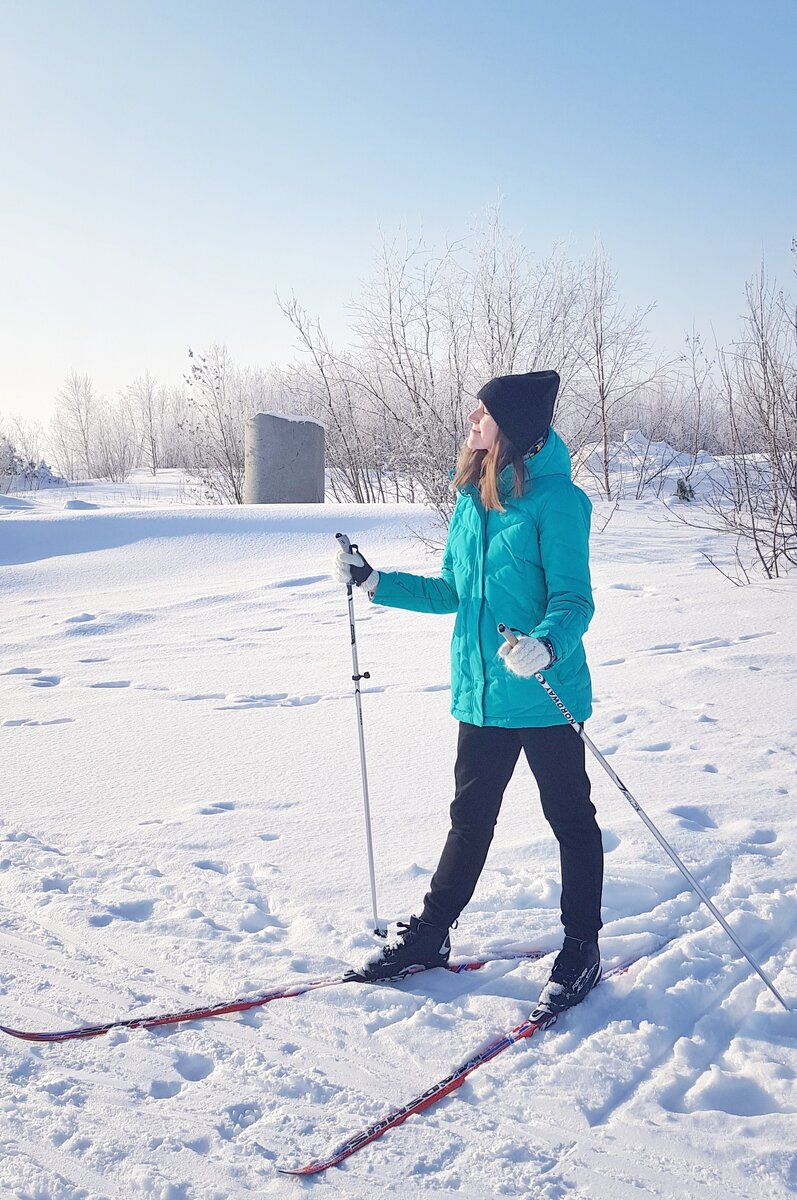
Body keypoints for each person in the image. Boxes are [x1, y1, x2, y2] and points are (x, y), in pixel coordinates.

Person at [332, 370, 603, 1013]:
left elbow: (574, 600)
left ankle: (581, 946)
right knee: (469, 821)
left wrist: (546, 643)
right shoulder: (471, 501)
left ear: (512, 426)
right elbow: (453, 592)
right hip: (481, 696)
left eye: (481, 413)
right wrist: (376, 582)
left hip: (542, 692)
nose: (471, 422)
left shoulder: (559, 501)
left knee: (570, 820)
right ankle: (430, 937)